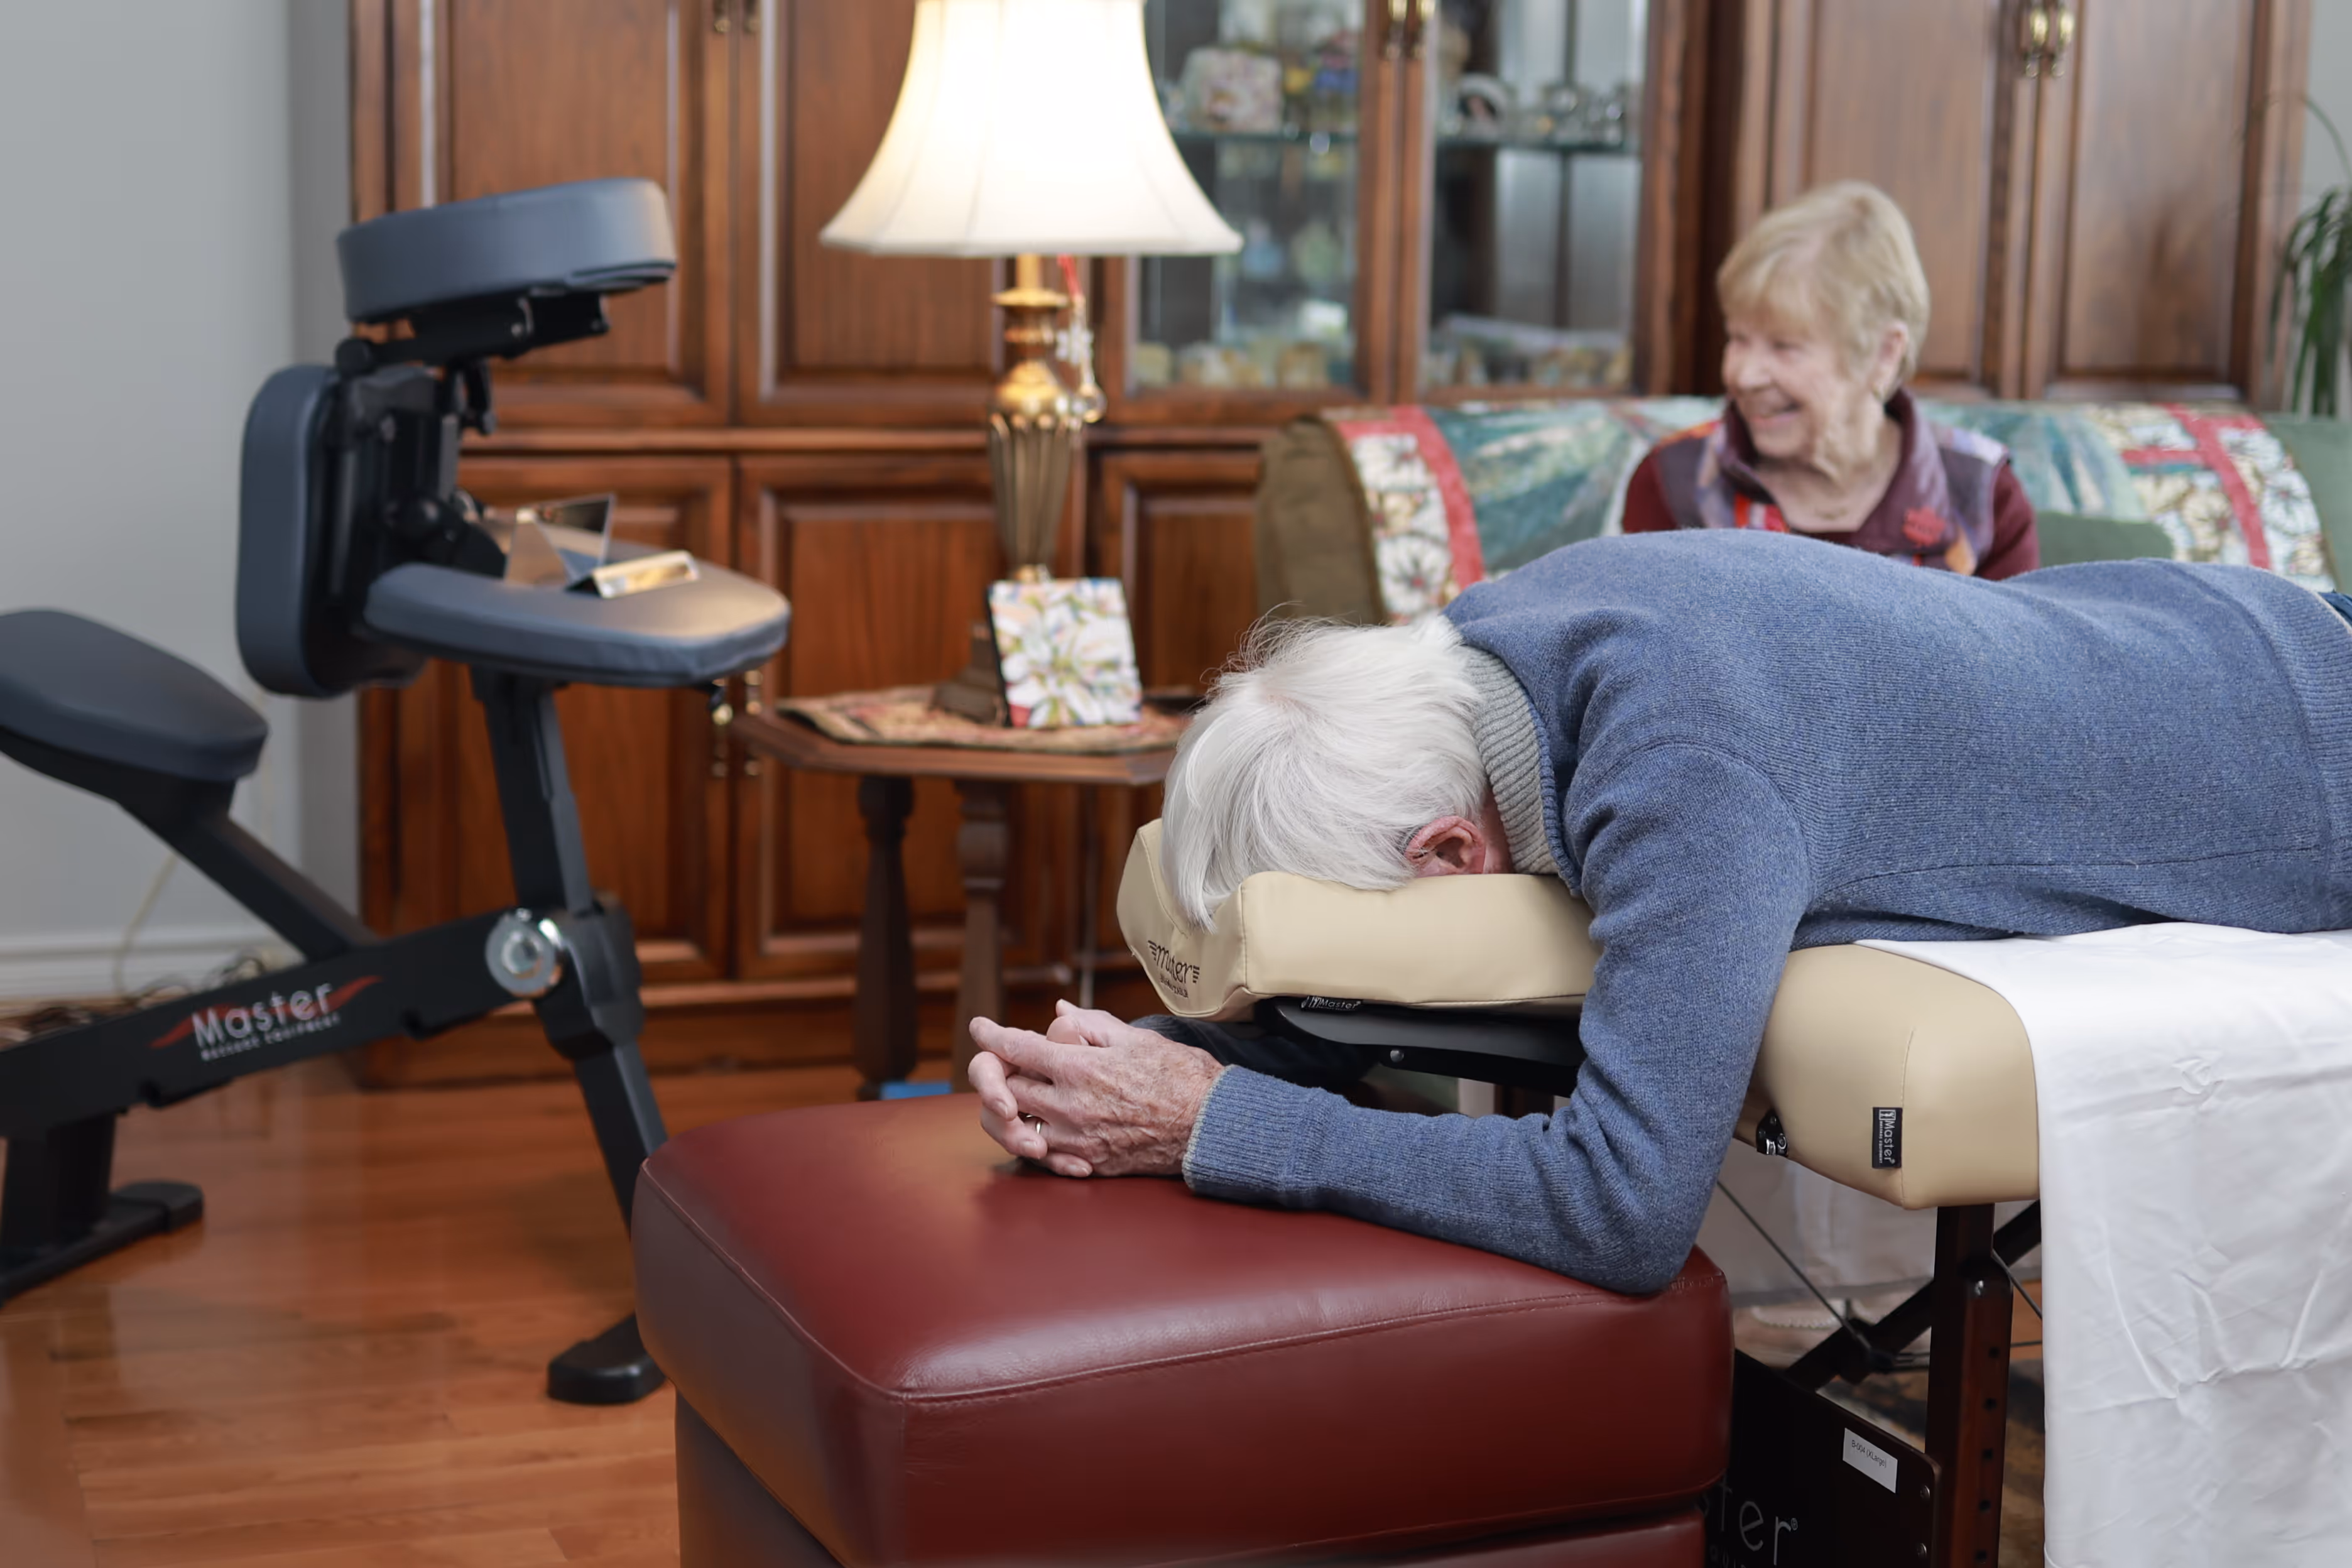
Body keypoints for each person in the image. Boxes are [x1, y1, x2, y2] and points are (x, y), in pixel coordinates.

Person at [967, 530, 2352, 1293]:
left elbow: (1621, 1204)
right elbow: (1356, 998)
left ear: (1453, 850)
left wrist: (1217, 1125)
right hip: (2211, 629)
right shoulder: (1479, 650)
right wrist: (1118, 1068)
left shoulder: (1683, 772)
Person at [1621, 182, 2039, 580]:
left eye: (1784, 346)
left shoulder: (1982, 499)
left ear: (1883, 353)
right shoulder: (1674, 482)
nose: (1744, 375)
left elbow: (2014, 655)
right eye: (1738, 338)